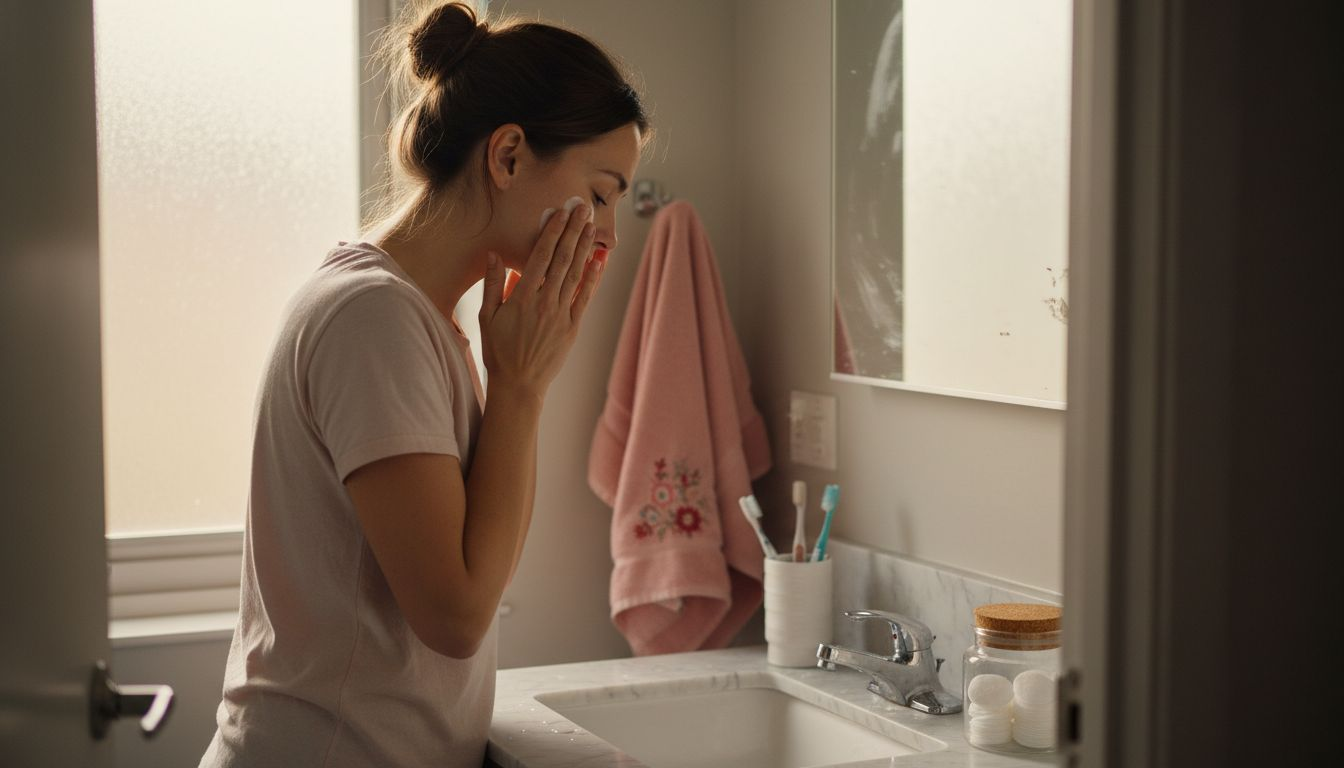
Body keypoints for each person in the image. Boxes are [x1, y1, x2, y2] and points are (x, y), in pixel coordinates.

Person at [198, 2, 650, 765]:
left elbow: (477, 567)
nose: (607, 233)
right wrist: (521, 389)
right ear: (507, 156)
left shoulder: (421, 317)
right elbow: (456, 615)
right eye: (602, 193)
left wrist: (516, 378)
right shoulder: (374, 319)